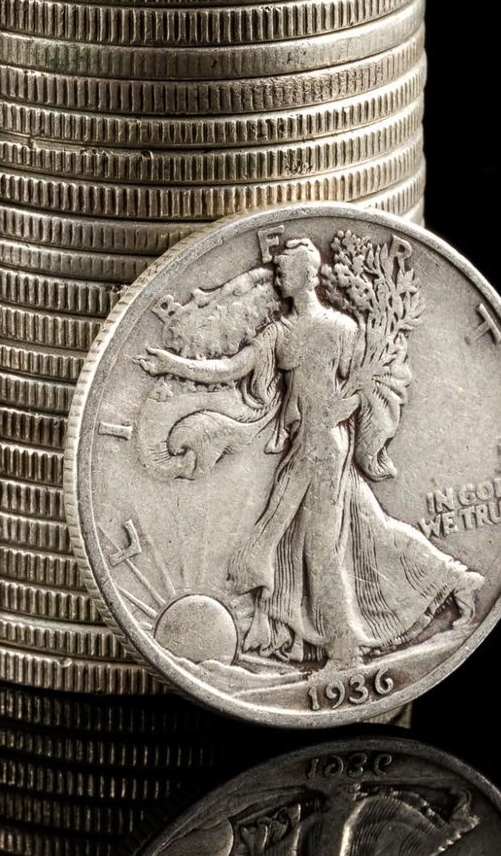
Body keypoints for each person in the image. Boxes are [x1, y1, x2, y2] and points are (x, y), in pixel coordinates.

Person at [138, 237, 480, 670]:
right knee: (369, 530)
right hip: (306, 446)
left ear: (306, 274)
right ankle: (458, 580)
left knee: (319, 550)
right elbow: (228, 370)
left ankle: (344, 652)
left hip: (325, 448)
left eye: (284, 269)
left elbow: (368, 383)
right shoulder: (278, 335)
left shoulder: (342, 329)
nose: (277, 276)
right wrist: (171, 364)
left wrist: (342, 408)